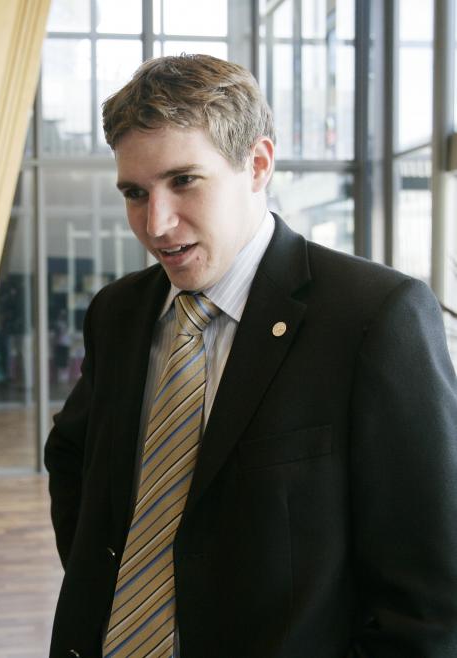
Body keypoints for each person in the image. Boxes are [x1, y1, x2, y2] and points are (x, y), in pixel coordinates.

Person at [44, 54, 457, 657]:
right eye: (136, 192)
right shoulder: (119, 312)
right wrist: (102, 587)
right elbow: (75, 460)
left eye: (183, 180)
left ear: (257, 164)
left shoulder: (374, 318)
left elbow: (429, 593)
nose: (156, 224)